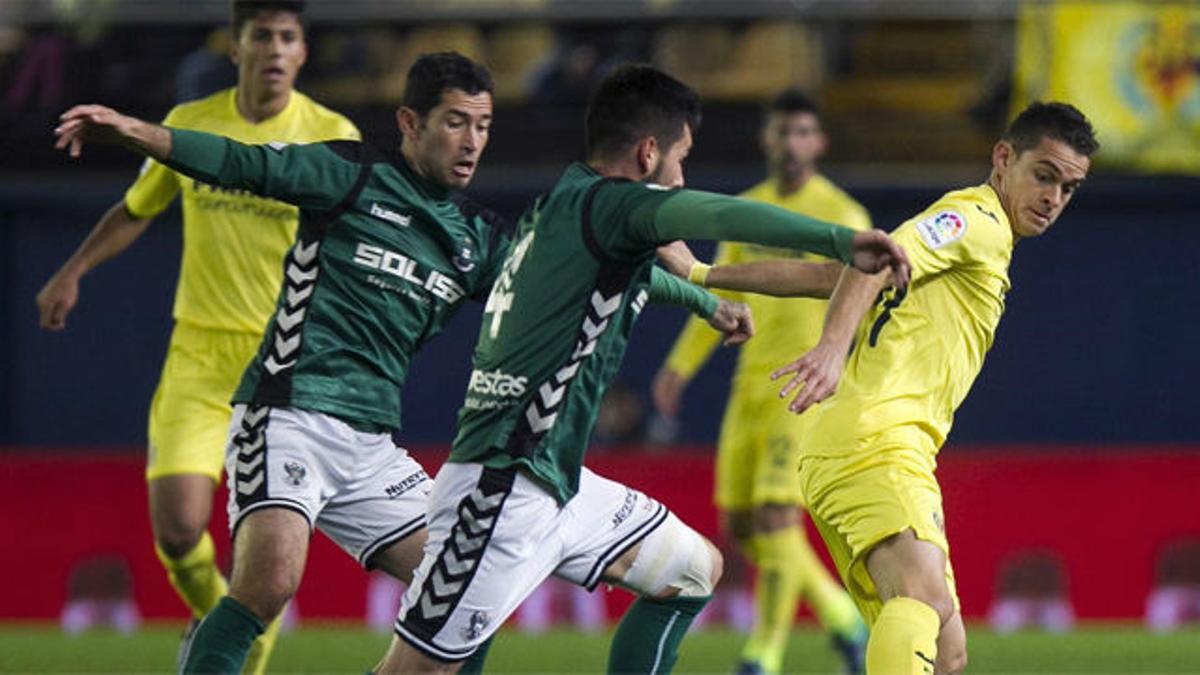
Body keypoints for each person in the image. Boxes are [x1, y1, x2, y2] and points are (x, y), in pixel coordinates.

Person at [54, 52, 739, 675]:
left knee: (463, 592)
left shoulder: (475, 240)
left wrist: (699, 298)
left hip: (371, 448)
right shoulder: (349, 175)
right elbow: (241, 162)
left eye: (483, 124)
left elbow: (576, 273)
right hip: (288, 412)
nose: (471, 141)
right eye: (455, 122)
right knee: (269, 583)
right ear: (411, 122)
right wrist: (135, 132)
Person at [373, 64, 911, 675]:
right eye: (680, 158)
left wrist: (706, 301)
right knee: (415, 671)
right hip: (500, 489)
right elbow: (718, 217)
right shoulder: (617, 205)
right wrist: (841, 241)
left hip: (558, 483)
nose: (681, 176)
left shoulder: (565, 205)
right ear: (649, 152)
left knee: (691, 571)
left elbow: (649, 275)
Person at [701, 101, 1098, 674]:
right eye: (1044, 175)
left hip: (874, 448)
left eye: (1069, 187)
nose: (1053, 199)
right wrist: (832, 349)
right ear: (1004, 157)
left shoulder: (981, 242)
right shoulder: (975, 221)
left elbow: (831, 276)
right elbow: (876, 258)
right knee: (922, 602)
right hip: (874, 442)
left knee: (947, 652)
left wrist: (701, 273)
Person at [36, 2, 356, 672]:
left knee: (266, 546)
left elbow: (358, 243)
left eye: (287, 37)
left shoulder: (331, 133)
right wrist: (73, 269)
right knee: (179, 529)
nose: (274, 48)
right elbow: (136, 209)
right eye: (260, 36)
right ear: (235, 48)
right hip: (199, 356)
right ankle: (229, 618)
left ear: (302, 52)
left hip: (284, 367)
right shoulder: (189, 125)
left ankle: (234, 641)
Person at [653, 89, 869, 675]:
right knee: (743, 529)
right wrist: (679, 366)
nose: (792, 143)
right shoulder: (746, 209)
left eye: (803, 132)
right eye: (782, 132)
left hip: (801, 388)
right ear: (766, 140)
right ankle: (845, 621)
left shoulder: (842, 215)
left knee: (777, 520)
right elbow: (722, 294)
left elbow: (861, 300)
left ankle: (762, 657)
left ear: (818, 142)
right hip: (748, 386)